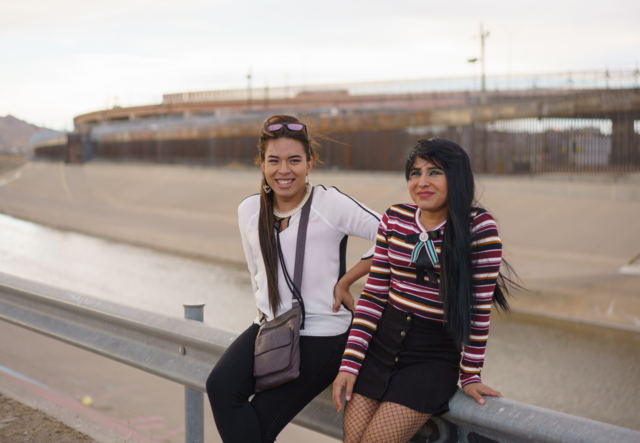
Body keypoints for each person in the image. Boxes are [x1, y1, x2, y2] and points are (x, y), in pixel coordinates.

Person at [206, 114, 381, 443]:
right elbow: (257, 274)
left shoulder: (330, 204)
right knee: (220, 387)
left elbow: (394, 234)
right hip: (271, 327)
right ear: (261, 163)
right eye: (273, 160)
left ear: (309, 164)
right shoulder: (249, 210)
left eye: (294, 160)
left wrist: (347, 281)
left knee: (259, 420)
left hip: (324, 332)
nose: (283, 170)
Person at [333, 138, 514, 443]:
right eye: (415, 173)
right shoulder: (394, 218)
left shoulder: (480, 228)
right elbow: (374, 296)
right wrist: (350, 363)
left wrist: (470, 374)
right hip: (378, 348)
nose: (422, 182)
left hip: (430, 359)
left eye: (434, 172)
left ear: (456, 177)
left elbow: (478, 310)